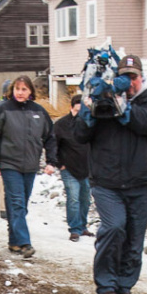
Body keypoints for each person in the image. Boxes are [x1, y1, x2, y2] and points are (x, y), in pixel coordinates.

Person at [76, 54, 147, 294]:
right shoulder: (100, 98)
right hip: (106, 181)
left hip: (139, 182)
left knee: (134, 237)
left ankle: (124, 284)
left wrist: (124, 107)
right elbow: (81, 134)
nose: (129, 83)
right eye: (124, 77)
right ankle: (106, 283)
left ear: (141, 78)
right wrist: (89, 109)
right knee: (114, 227)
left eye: (133, 77)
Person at [0, 76, 57, 258]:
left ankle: (14, 242)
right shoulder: (2, 110)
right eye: (17, 88)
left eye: (24, 89)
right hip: (9, 164)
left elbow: (50, 137)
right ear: (12, 90)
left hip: (30, 165)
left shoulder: (39, 112)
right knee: (16, 202)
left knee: (20, 205)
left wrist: (51, 160)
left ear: (31, 91)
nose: (20, 92)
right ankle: (25, 243)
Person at [54, 94, 93, 242]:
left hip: (86, 168)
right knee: (73, 199)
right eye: (77, 111)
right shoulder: (61, 125)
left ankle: (82, 226)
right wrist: (59, 164)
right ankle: (74, 229)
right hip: (69, 168)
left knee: (85, 199)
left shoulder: (90, 124)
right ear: (71, 108)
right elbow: (53, 145)